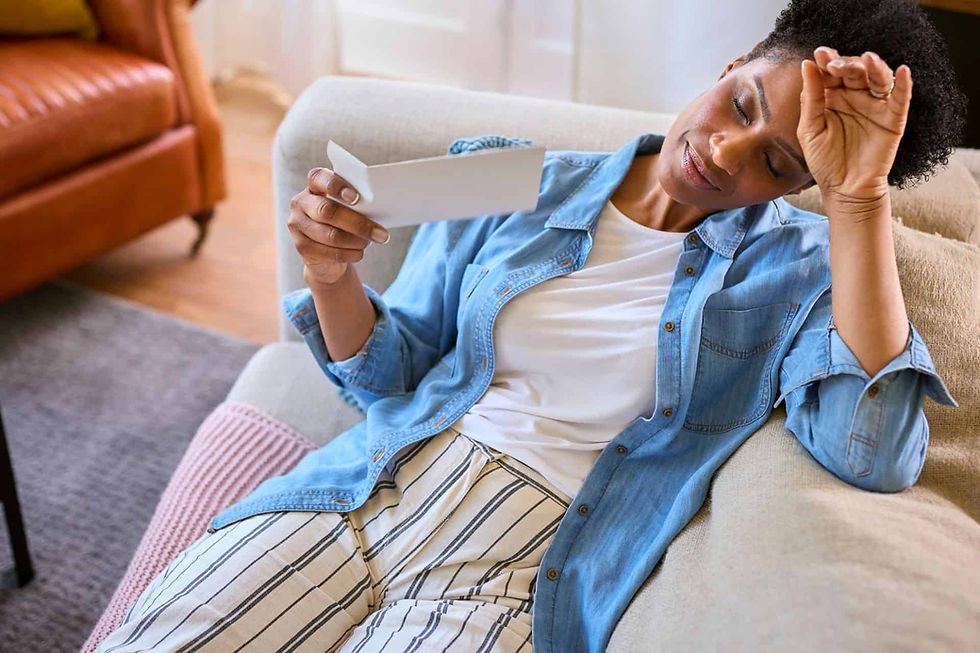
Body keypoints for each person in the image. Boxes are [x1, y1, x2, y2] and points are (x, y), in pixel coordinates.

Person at [97, 0, 965, 651]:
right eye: (740, 106)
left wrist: (859, 199)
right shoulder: (516, 179)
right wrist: (331, 276)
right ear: (729, 65)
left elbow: (872, 451)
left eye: (776, 162)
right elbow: (390, 375)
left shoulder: (803, 274)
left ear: (801, 185)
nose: (724, 153)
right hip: (370, 489)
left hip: (516, 570)